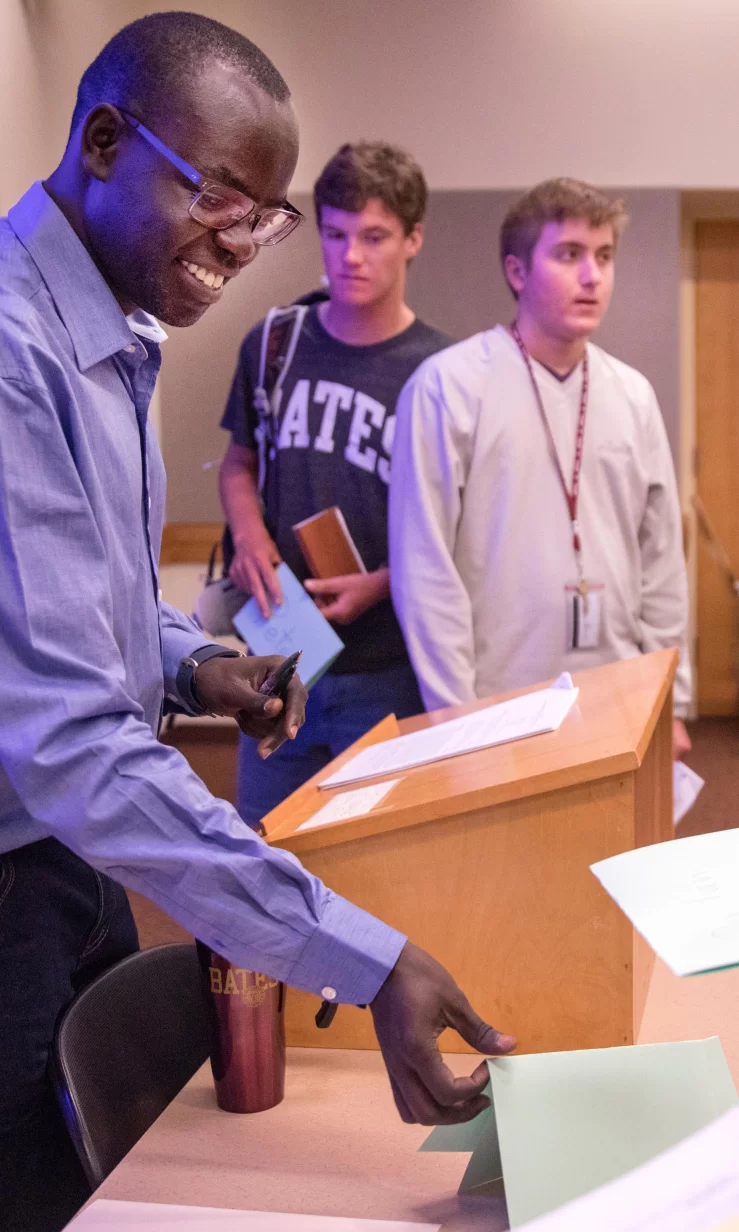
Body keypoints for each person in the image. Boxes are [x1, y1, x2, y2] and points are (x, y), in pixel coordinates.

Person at [0, 17, 510, 1232]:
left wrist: (185, 660)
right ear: (102, 142)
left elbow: (79, 597)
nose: (237, 247)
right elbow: (72, 741)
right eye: (219, 198)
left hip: (32, 829)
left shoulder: (110, 327)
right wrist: (366, 962)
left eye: (262, 218)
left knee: (124, 1183)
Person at [389, 179, 693, 755]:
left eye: (604, 257)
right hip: (496, 704)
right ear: (518, 271)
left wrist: (668, 700)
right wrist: (456, 719)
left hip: (620, 694)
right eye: (569, 254)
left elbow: (662, 564)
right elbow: (425, 568)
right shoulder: (450, 386)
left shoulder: (632, 394)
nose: (592, 276)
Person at [216, 140, 450, 826]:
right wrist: (250, 534)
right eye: (336, 234)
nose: (350, 256)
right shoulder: (274, 343)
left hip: (389, 665)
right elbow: (238, 462)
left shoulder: (442, 370)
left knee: (375, 869)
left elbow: (459, 529)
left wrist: (382, 581)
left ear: (413, 239)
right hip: (282, 655)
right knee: (266, 852)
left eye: (373, 237)